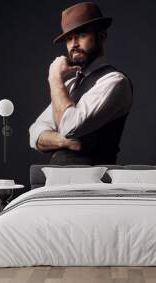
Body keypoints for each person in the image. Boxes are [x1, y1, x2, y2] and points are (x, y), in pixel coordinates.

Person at [29, 2, 133, 165]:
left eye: (82, 35)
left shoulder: (114, 82)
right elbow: (35, 133)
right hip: (57, 182)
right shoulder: (69, 85)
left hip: (92, 184)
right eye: (69, 39)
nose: (74, 44)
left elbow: (69, 127)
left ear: (101, 36)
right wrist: (64, 141)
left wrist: (54, 77)